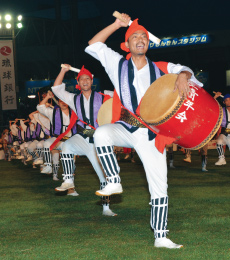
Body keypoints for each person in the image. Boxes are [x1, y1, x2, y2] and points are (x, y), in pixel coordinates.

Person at [85, 13, 203, 248]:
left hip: (152, 135)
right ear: (126, 44)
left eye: (144, 37)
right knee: (100, 133)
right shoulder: (116, 63)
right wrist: (118, 25)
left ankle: (161, 236)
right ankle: (114, 180)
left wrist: (183, 75)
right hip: (127, 127)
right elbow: (94, 44)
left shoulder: (161, 68)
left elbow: (188, 71)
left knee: (160, 187)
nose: (140, 39)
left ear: (148, 43)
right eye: (135, 36)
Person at [51, 64, 117, 216]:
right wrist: (63, 70)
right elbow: (56, 89)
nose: (85, 81)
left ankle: (106, 208)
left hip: (99, 141)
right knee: (66, 146)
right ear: (78, 83)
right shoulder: (74, 99)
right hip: (84, 136)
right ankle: (68, 180)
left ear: (91, 81)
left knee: (104, 176)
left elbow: (122, 96)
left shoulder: (103, 96)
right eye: (82, 79)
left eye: (88, 78)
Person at [37, 93, 77, 181]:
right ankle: (48, 165)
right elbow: (40, 107)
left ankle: (69, 183)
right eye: (60, 101)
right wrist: (47, 97)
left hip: (70, 141)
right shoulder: (53, 112)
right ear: (58, 103)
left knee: (70, 164)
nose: (63, 102)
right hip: (57, 140)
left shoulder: (74, 112)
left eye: (65, 100)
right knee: (47, 143)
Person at [214, 92, 230, 165]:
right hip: (225, 132)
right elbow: (212, 106)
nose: (228, 101)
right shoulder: (221, 110)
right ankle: (222, 159)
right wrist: (215, 97)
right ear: (224, 102)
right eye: (226, 100)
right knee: (219, 142)